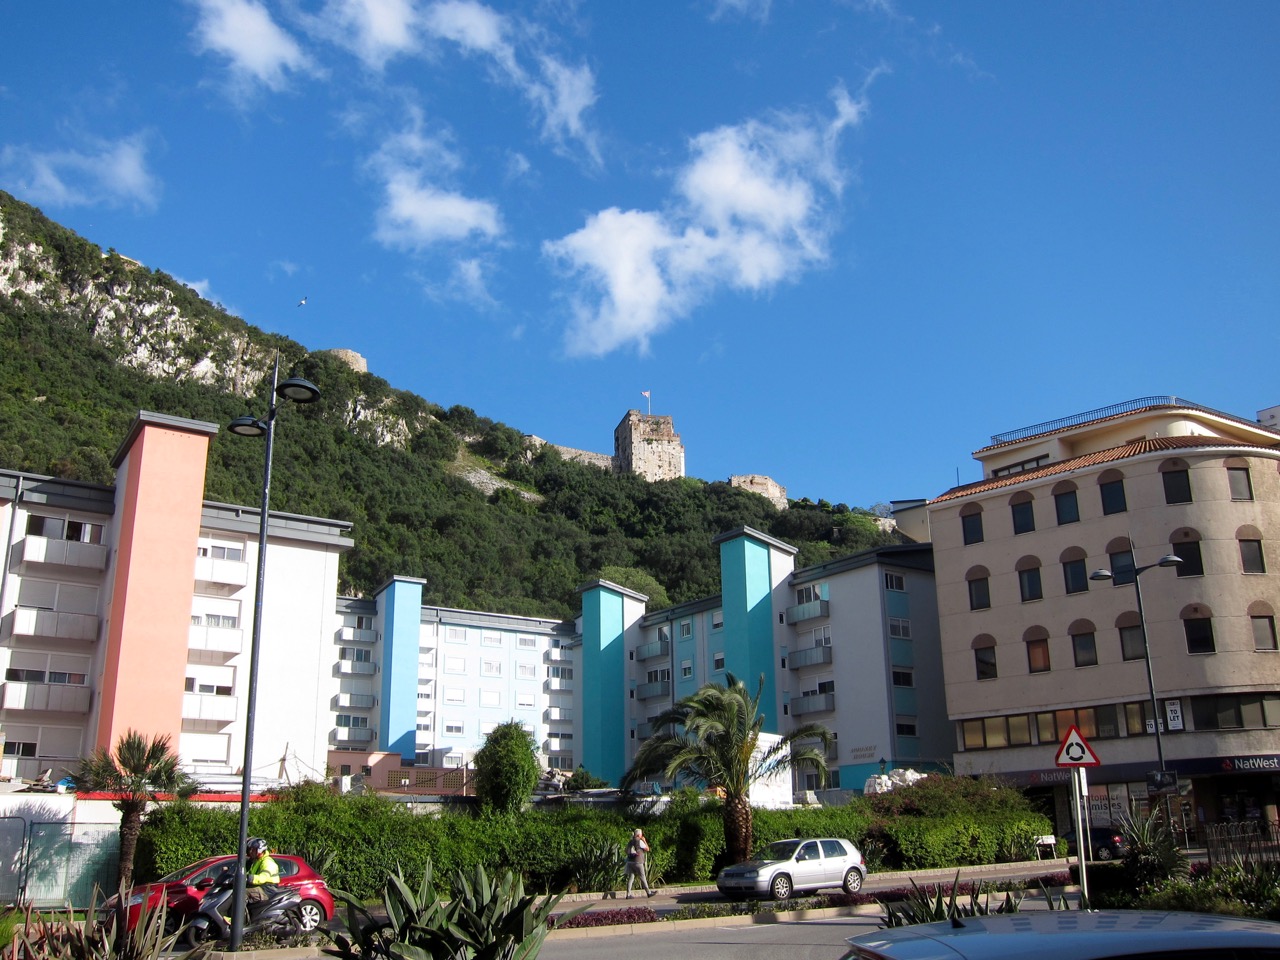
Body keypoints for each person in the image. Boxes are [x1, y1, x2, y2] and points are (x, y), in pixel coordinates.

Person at [244, 837, 280, 911]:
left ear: (260, 850)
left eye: (253, 850)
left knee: (242, 893)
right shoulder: (255, 861)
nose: (250, 852)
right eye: (250, 849)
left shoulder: (267, 862)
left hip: (266, 890)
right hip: (259, 887)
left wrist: (249, 878)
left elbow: (263, 877)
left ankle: (237, 919)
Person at [623, 827, 655, 898]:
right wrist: (644, 840)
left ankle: (628, 894)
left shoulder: (630, 841)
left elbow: (626, 850)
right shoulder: (639, 841)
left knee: (631, 877)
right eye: (641, 835)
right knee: (642, 877)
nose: (641, 836)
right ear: (639, 835)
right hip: (638, 862)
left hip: (630, 862)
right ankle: (648, 892)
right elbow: (647, 849)